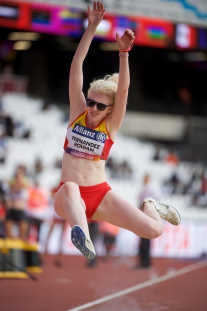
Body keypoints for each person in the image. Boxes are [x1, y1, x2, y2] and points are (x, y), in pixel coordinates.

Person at [53, 1, 181, 260]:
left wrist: (123, 54)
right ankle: (83, 237)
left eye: (100, 105)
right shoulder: (78, 112)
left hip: (100, 194)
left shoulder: (110, 125)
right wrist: (91, 29)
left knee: (154, 230)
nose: (93, 108)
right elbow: (75, 67)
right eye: (90, 102)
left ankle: (151, 205)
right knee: (70, 188)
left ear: (110, 109)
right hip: (69, 198)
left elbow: (123, 91)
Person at [134, 174, 162, 269]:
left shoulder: (152, 188)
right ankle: (143, 261)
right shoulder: (144, 188)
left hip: (147, 215)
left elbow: (154, 201)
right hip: (143, 215)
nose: (144, 180)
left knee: (146, 239)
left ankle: (145, 262)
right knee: (143, 239)